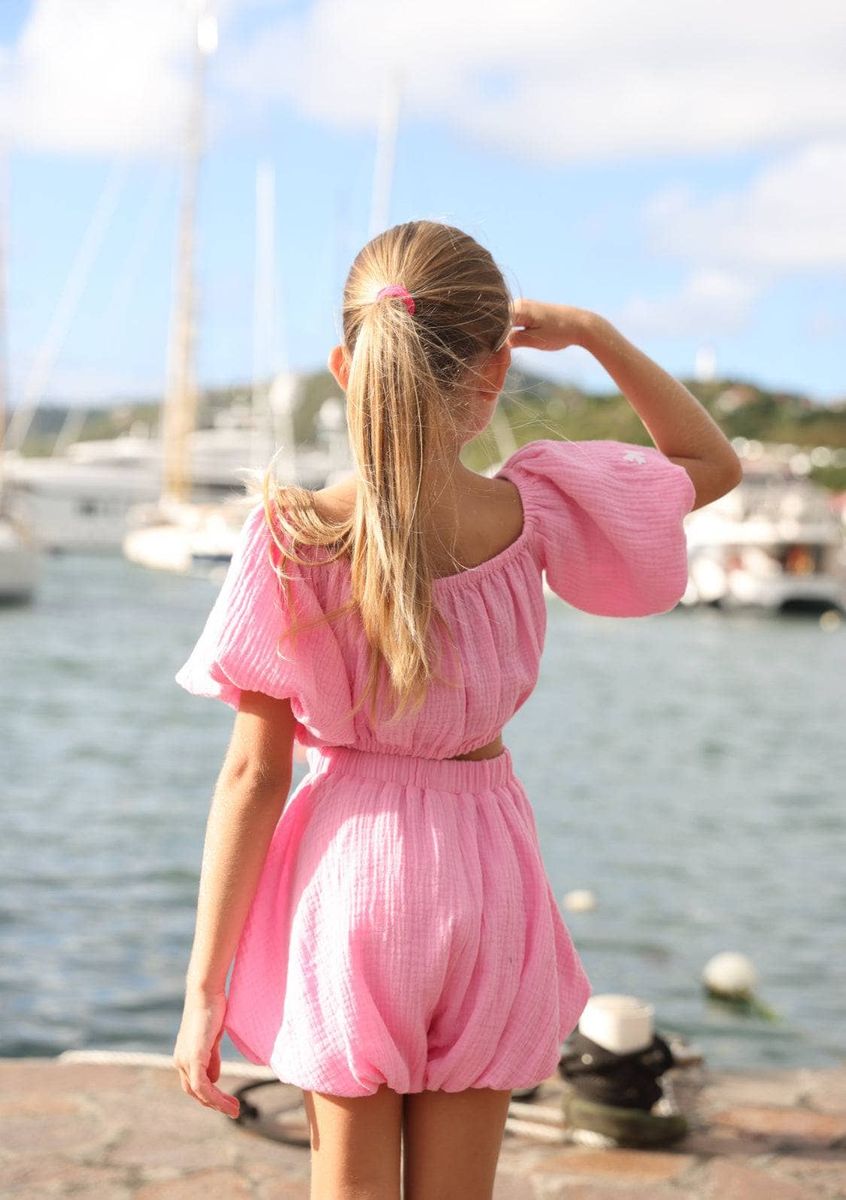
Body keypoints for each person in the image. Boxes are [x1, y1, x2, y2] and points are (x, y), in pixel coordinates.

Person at [171, 219, 742, 1199]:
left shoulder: (295, 537)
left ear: (347, 367)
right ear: (491, 379)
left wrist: (203, 990)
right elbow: (712, 464)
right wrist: (598, 334)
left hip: (352, 881)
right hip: (487, 877)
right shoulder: (538, 508)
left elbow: (254, 776)